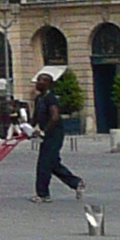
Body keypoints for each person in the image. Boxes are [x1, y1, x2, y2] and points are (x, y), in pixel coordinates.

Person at [32, 72, 85, 204]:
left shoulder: (51, 99)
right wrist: (29, 128)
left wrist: (44, 131)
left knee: (44, 164)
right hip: (46, 134)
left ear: (48, 84)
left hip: (54, 135)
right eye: (38, 80)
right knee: (53, 163)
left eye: (42, 81)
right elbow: (36, 116)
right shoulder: (38, 98)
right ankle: (76, 182)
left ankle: (43, 194)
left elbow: (55, 117)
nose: (38, 83)